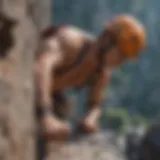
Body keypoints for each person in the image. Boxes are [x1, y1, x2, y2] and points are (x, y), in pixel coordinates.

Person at [34, 14, 146, 141]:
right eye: (120, 54)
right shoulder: (72, 41)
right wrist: (45, 115)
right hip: (29, 82)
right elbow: (42, 66)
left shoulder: (101, 73)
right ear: (107, 39)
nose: (120, 62)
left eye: (125, 58)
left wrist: (91, 117)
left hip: (46, 92)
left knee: (64, 115)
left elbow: (95, 104)